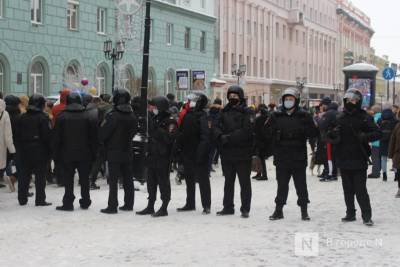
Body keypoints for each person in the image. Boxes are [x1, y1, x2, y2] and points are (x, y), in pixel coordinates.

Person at [327, 89, 381, 226]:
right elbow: (328, 136)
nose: (351, 103)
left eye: (354, 100)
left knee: (360, 189)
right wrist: (333, 134)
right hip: (343, 158)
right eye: (348, 100)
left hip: (359, 158)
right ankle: (350, 213)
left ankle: (367, 216)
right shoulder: (340, 117)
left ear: (358, 101)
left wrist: (364, 137)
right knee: (347, 189)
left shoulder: (364, 117)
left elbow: (377, 133)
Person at [265, 87, 318, 221]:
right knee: (282, 185)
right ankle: (278, 210)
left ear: (296, 100)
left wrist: (302, 132)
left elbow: (313, 132)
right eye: (286, 99)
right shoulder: (276, 115)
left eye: (291, 99)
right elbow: (267, 132)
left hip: (298, 156)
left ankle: (304, 211)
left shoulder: (304, 115)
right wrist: (276, 136)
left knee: (301, 185)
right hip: (282, 155)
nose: (288, 101)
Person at [213, 85, 253, 218]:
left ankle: (245, 208)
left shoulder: (246, 112)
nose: (232, 98)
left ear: (240, 97)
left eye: (235, 96)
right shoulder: (223, 111)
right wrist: (220, 136)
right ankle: (228, 206)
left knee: (244, 182)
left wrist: (229, 137)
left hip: (242, 152)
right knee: (228, 182)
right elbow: (216, 126)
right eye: (230, 96)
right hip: (227, 152)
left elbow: (246, 130)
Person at [53, 92, 97, 211]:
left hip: (67, 153)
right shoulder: (88, 116)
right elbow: (93, 137)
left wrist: (55, 154)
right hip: (85, 153)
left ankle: (68, 202)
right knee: (84, 178)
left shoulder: (61, 117)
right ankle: (85, 201)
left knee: (68, 179)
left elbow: (56, 138)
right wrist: (94, 153)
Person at [136, 96, 177, 217]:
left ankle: (164, 206)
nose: (151, 108)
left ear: (161, 107)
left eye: (154, 106)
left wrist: (158, 130)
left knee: (163, 182)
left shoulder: (170, 121)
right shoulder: (155, 118)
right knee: (151, 181)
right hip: (152, 155)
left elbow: (169, 138)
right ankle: (150, 205)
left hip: (163, 156)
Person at [99, 89, 138, 214]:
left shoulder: (112, 115)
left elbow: (103, 133)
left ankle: (112, 205)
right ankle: (129, 203)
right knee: (128, 178)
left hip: (114, 151)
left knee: (113, 180)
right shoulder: (132, 115)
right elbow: (133, 132)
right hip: (127, 150)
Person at [176, 92, 211, 214]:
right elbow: (182, 132)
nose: (190, 103)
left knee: (203, 180)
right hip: (187, 151)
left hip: (199, 153)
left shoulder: (203, 116)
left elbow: (205, 137)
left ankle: (206, 205)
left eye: (193, 101)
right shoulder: (187, 114)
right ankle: (190, 203)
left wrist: (200, 153)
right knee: (189, 179)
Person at [16, 94, 52, 206]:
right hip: (40, 150)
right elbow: (47, 136)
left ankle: (22, 198)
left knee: (23, 175)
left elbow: (16, 135)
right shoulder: (43, 117)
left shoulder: (21, 117)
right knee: (40, 176)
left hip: (23, 149)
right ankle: (40, 199)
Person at [318, 101, 340, 182]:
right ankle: (334, 173)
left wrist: (320, 119)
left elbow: (322, 125)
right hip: (336, 138)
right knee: (334, 157)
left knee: (329, 157)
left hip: (329, 138)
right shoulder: (338, 113)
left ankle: (330, 174)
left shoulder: (328, 113)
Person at [4, 95, 21, 192]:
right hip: (16, 144)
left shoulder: (3, 114)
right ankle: (13, 178)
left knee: (4, 164)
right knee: (22, 166)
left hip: (4, 144)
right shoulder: (17, 116)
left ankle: (12, 179)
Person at [253, 104, 272, 181]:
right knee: (261, 158)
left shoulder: (258, 119)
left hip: (259, 141)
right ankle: (259, 173)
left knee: (260, 158)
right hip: (265, 141)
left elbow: (254, 130)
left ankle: (263, 175)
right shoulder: (269, 119)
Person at [0, 99, 16, 189]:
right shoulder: (5, 114)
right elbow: (8, 134)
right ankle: (9, 177)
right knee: (3, 164)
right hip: (1, 144)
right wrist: (12, 149)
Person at [378, 108, 397, 182]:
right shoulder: (395, 121)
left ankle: (384, 174)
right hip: (392, 141)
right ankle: (396, 175)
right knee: (394, 159)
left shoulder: (380, 121)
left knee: (383, 159)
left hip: (383, 142)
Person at [368, 105, 382, 178]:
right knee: (379, 157)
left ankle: (375, 173)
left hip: (376, 141)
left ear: (374, 111)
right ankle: (378, 170)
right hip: (382, 141)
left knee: (375, 157)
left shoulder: (375, 118)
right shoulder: (383, 116)